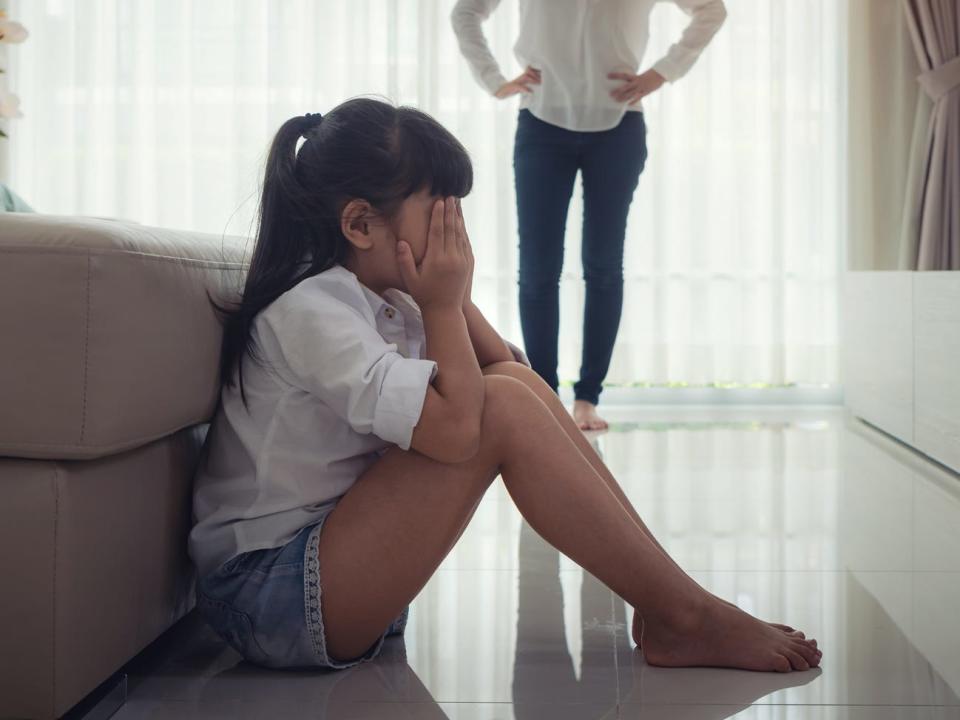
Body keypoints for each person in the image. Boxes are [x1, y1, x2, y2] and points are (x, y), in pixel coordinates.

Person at [188, 98, 821, 673]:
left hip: (330, 571)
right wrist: (441, 305)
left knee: (512, 387)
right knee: (501, 409)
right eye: (439, 211)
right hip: (268, 592)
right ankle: (685, 617)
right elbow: (463, 430)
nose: (453, 230)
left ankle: (674, 605)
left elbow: (514, 372)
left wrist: (448, 298)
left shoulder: (386, 294)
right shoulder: (311, 309)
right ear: (360, 225)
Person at [452, 0, 727, 430]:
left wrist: (663, 72)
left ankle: (587, 399)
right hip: (542, 126)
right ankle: (545, 397)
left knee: (603, 267)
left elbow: (711, 9)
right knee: (539, 270)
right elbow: (466, 12)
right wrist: (494, 80)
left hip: (618, 129)